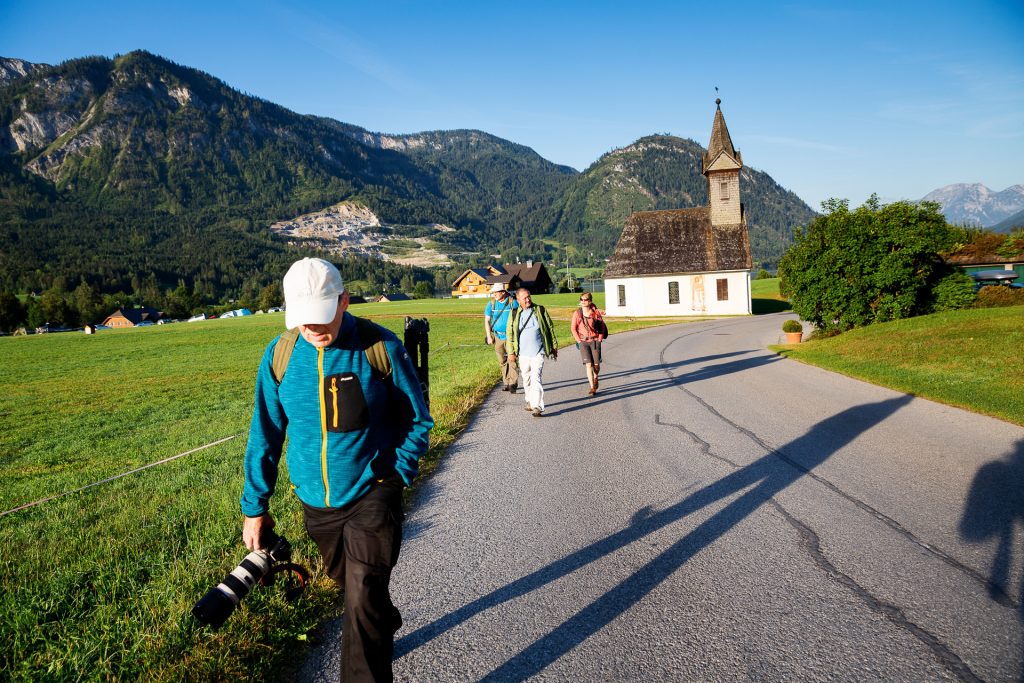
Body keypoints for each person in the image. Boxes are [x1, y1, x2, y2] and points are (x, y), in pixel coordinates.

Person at [241, 257, 433, 683]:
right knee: (356, 593)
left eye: (322, 318)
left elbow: (418, 419)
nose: (313, 329)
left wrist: (395, 473)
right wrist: (255, 506)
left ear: (344, 301)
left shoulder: (379, 348)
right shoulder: (280, 357)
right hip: (318, 505)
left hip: (373, 492)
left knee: (361, 596)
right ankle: (380, 618)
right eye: (304, 320)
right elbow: (265, 433)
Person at [506, 288, 557, 417]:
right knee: (527, 378)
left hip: (538, 352)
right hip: (523, 354)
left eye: (529, 296)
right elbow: (510, 334)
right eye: (525, 298)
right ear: (518, 300)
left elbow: (549, 328)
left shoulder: (539, 310)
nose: (528, 299)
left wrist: (553, 346)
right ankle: (529, 400)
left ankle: (537, 406)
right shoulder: (514, 314)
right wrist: (511, 352)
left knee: (536, 378)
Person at [484, 283, 519, 392]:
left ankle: (513, 383)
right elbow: (487, 321)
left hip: (510, 337)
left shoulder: (513, 302)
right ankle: (506, 382)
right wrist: (489, 336)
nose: (494, 294)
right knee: (502, 360)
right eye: (493, 292)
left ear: (503, 292)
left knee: (511, 358)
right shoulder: (491, 304)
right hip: (498, 336)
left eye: (496, 292)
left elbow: (519, 317)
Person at [570, 292, 607, 395]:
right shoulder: (577, 313)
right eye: (581, 299)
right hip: (583, 342)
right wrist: (578, 341)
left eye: (585, 299)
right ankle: (592, 387)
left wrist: (599, 340)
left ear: (590, 301)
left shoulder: (595, 313)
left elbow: (601, 327)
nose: (582, 301)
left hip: (595, 341)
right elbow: (573, 328)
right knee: (588, 364)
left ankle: (596, 377)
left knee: (596, 365)